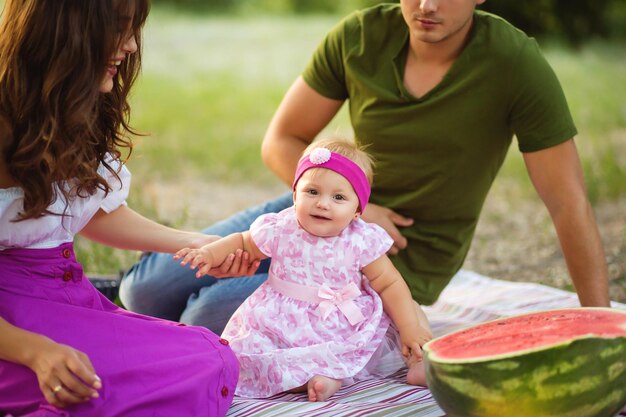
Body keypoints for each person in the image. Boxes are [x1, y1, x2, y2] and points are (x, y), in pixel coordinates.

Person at [120, 0, 610, 336]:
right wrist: (359, 208)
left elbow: (567, 201)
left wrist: (601, 325)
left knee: (205, 315)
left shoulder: (514, 62)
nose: (427, 5)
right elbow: (281, 140)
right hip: (324, 206)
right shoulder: (361, 37)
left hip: (399, 253)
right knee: (143, 289)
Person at [0, 1, 243, 416]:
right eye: (118, 28)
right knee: (99, 385)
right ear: (65, 28)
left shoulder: (68, 112)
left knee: (209, 357)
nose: (130, 45)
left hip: (64, 299)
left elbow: (89, 211)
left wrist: (195, 241)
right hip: (13, 324)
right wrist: (36, 352)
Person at [175, 139, 432, 401]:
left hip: (340, 323)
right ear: (295, 195)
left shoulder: (359, 239)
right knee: (248, 355)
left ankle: (419, 360)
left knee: (406, 311)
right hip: (280, 321)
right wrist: (209, 253)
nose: (323, 203)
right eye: (312, 192)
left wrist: (408, 326)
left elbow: (388, 283)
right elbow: (242, 242)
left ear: (357, 211)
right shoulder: (282, 228)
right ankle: (324, 378)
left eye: (338, 197)